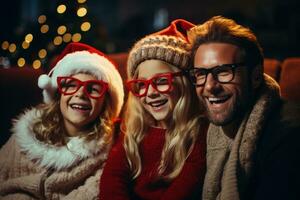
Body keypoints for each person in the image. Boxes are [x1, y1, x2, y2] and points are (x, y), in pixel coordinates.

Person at [187, 16, 300, 200]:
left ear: (255, 77)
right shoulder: (207, 133)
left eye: (223, 71)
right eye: (201, 74)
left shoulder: (289, 139)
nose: (209, 87)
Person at [100, 19, 208, 200]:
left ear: (186, 83)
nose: (150, 93)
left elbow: (183, 192)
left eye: (161, 81)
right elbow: (112, 179)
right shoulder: (134, 130)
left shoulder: (199, 134)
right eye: (141, 84)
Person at [0, 42, 124, 199]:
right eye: (71, 85)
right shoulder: (27, 133)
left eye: (93, 88)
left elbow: (92, 192)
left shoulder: (109, 149)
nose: (80, 94)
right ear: (58, 94)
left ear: (105, 102)